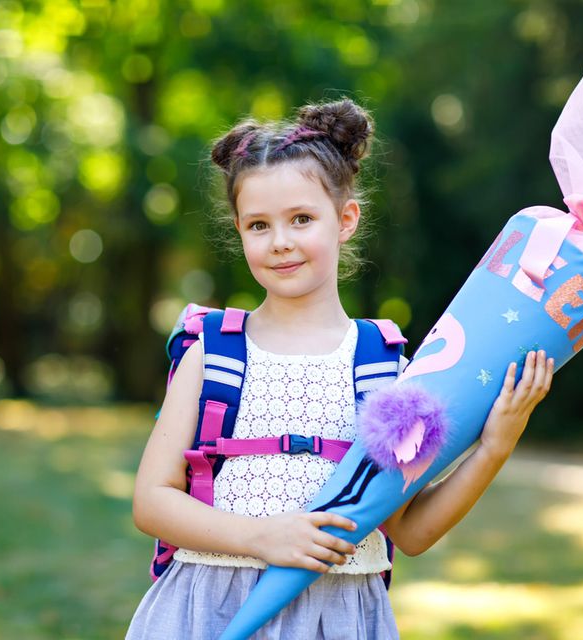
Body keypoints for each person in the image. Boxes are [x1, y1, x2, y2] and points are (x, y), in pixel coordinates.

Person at [126, 98, 554, 639]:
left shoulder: (387, 371)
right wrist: (263, 537)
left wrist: (494, 447)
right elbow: (152, 500)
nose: (280, 241)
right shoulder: (211, 352)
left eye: (301, 219)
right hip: (210, 610)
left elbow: (412, 530)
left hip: (339, 616)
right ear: (238, 229)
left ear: (345, 219)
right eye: (259, 225)